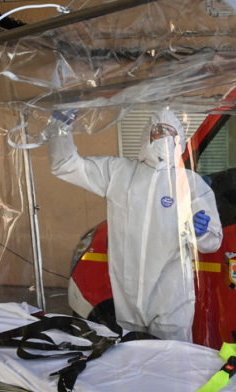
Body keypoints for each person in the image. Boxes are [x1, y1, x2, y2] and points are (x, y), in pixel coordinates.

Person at [47, 108, 222, 342]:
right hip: (128, 297)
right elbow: (66, 165)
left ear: (179, 139)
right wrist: (59, 130)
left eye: (170, 132)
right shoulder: (119, 173)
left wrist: (201, 233)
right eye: (158, 130)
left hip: (171, 297)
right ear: (146, 134)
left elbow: (212, 242)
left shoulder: (191, 184)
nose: (164, 136)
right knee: (134, 353)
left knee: (171, 356)